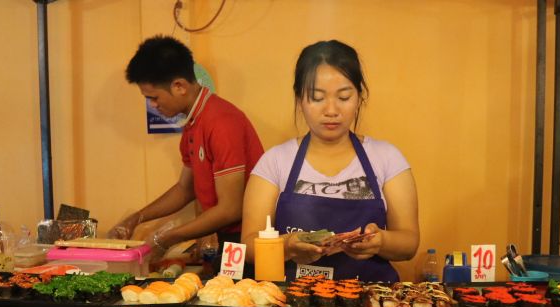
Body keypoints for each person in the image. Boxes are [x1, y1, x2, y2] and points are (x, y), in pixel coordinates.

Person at [241, 40, 419, 281]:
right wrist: (288, 245)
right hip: (292, 305)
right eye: (317, 97)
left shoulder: (387, 158)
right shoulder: (274, 162)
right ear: (300, 99)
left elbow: (409, 243)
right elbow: (249, 245)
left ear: (359, 98)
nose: (331, 110)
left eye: (344, 97)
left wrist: (381, 241)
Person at [110, 35, 264, 266]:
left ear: (179, 86)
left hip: (242, 241)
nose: (153, 105)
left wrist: (166, 238)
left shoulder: (221, 122)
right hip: (223, 239)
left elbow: (231, 209)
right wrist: (137, 218)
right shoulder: (194, 123)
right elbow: (185, 189)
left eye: (153, 97)